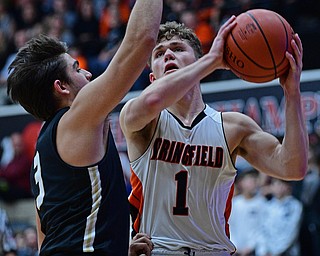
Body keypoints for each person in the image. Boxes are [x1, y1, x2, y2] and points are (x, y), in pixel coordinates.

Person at [119, 17, 308, 255]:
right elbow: (155, 99)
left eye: (178, 49)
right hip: (159, 250)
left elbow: (293, 167)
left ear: (198, 63)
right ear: (152, 78)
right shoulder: (140, 118)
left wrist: (292, 94)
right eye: (159, 54)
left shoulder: (233, 127)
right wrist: (211, 60)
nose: (168, 55)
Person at [6, 0, 163, 255]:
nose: (89, 74)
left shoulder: (46, 145)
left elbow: (46, 239)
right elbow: (142, 40)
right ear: (62, 87)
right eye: (77, 68)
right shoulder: (75, 119)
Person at [255, 178, 303, 256]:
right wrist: (263, 251)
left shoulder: (294, 206)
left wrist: (275, 252)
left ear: (288, 187)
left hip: (285, 252)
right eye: (275, 184)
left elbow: (290, 232)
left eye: (281, 184)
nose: (278, 187)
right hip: (267, 252)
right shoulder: (267, 206)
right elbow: (261, 230)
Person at [229, 168, 267, 256]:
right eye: (250, 180)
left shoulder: (262, 203)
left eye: (255, 180)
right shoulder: (235, 203)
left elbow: (262, 229)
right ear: (241, 183)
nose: (253, 183)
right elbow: (230, 226)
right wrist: (234, 245)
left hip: (254, 250)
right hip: (236, 250)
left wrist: (250, 246)